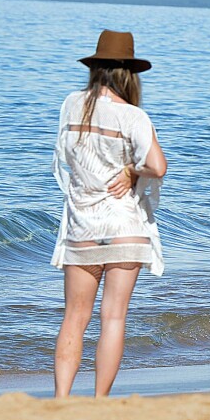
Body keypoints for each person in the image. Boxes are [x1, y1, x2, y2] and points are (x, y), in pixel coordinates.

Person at [51, 30, 167, 398]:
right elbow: (159, 167)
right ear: (128, 75)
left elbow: (68, 160)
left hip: (83, 225)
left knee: (74, 319)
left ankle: (61, 400)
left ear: (95, 69)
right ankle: (100, 402)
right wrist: (132, 171)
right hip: (124, 226)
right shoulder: (133, 116)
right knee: (113, 317)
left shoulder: (72, 104)